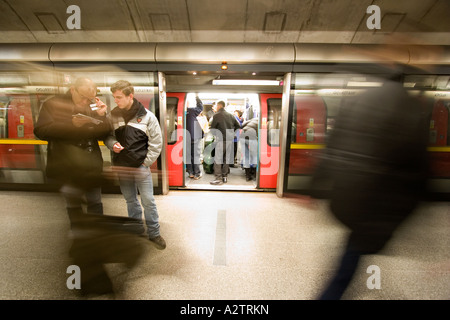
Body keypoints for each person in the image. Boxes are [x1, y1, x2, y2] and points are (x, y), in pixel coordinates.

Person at [311, 66, 430, 300]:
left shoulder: (360, 101)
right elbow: (418, 163)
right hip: (382, 201)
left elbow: (334, 145)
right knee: (354, 254)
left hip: (351, 195)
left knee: (353, 252)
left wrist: (316, 185)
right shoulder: (412, 110)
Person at [34, 77, 110, 222]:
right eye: (83, 97)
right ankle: (79, 235)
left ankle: (97, 235)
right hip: (67, 164)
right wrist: (71, 124)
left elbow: (104, 134)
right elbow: (41, 131)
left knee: (95, 202)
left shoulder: (92, 106)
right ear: (73, 90)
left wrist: (103, 117)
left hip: (90, 163)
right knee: (74, 204)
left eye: (90, 99)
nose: (85, 102)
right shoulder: (53, 104)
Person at [104, 80, 166, 250]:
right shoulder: (112, 116)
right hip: (122, 166)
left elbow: (156, 142)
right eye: (114, 97)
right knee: (131, 201)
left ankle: (154, 233)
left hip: (140, 167)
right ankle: (137, 229)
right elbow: (107, 136)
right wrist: (112, 144)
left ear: (130, 96)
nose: (116, 101)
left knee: (148, 201)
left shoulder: (147, 116)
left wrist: (145, 163)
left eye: (119, 97)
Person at [209, 100, 241, 185]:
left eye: (216, 106)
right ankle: (224, 176)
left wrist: (215, 134)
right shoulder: (231, 115)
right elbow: (238, 126)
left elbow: (212, 129)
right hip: (230, 140)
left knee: (218, 159)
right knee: (226, 159)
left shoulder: (217, 115)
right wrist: (232, 133)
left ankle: (218, 178)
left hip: (221, 140)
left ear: (219, 106)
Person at [185, 94, 204, 179]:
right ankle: (197, 173)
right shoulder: (192, 111)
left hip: (186, 139)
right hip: (195, 137)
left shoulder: (179, 113)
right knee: (196, 155)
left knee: (188, 155)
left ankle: (191, 173)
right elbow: (200, 107)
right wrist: (197, 97)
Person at [240, 116, 258, 181]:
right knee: (255, 156)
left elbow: (241, 125)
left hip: (242, 136)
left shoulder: (252, 119)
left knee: (246, 156)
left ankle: (247, 176)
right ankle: (255, 175)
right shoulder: (262, 121)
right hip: (252, 137)